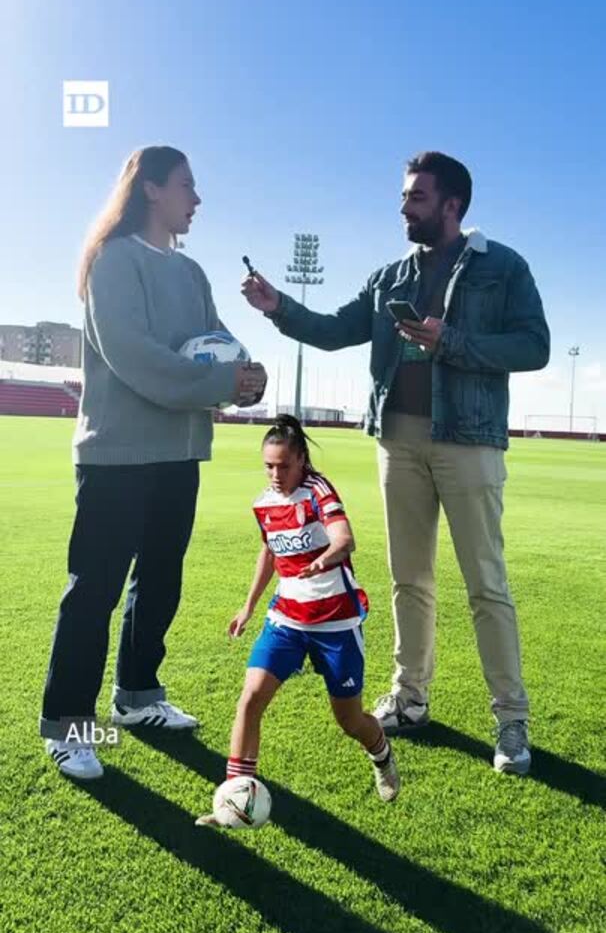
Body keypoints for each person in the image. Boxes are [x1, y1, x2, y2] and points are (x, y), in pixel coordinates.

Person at [241, 151, 550, 776]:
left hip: (469, 439)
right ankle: (410, 698)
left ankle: (510, 720)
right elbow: (335, 329)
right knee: (409, 578)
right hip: (398, 439)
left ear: (452, 205)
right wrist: (278, 306)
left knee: (485, 583)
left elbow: (535, 346)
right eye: (405, 196)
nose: (404, 207)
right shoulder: (390, 276)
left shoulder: (503, 266)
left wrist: (452, 341)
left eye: (416, 197)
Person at [41, 145, 267, 780]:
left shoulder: (191, 272)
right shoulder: (113, 260)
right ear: (150, 190)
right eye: (187, 185)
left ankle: (138, 696)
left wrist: (247, 377)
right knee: (96, 589)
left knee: (160, 581)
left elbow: (218, 342)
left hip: (179, 452)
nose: (197, 199)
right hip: (116, 454)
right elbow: (134, 356)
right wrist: (220, 383)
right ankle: (67, 726)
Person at [197, 414, 400, 825]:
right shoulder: (264, 503)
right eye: (269, 466)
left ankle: (381, 755)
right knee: (251, 698)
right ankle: (233, 798)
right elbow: (269, 552)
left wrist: (324, 559)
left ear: (302, 460)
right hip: (286, 619)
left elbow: (345, 539)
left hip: (335, 621)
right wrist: (248, 607)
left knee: (349, 720)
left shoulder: (318, 490)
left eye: (284, 466)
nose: (276, 475)